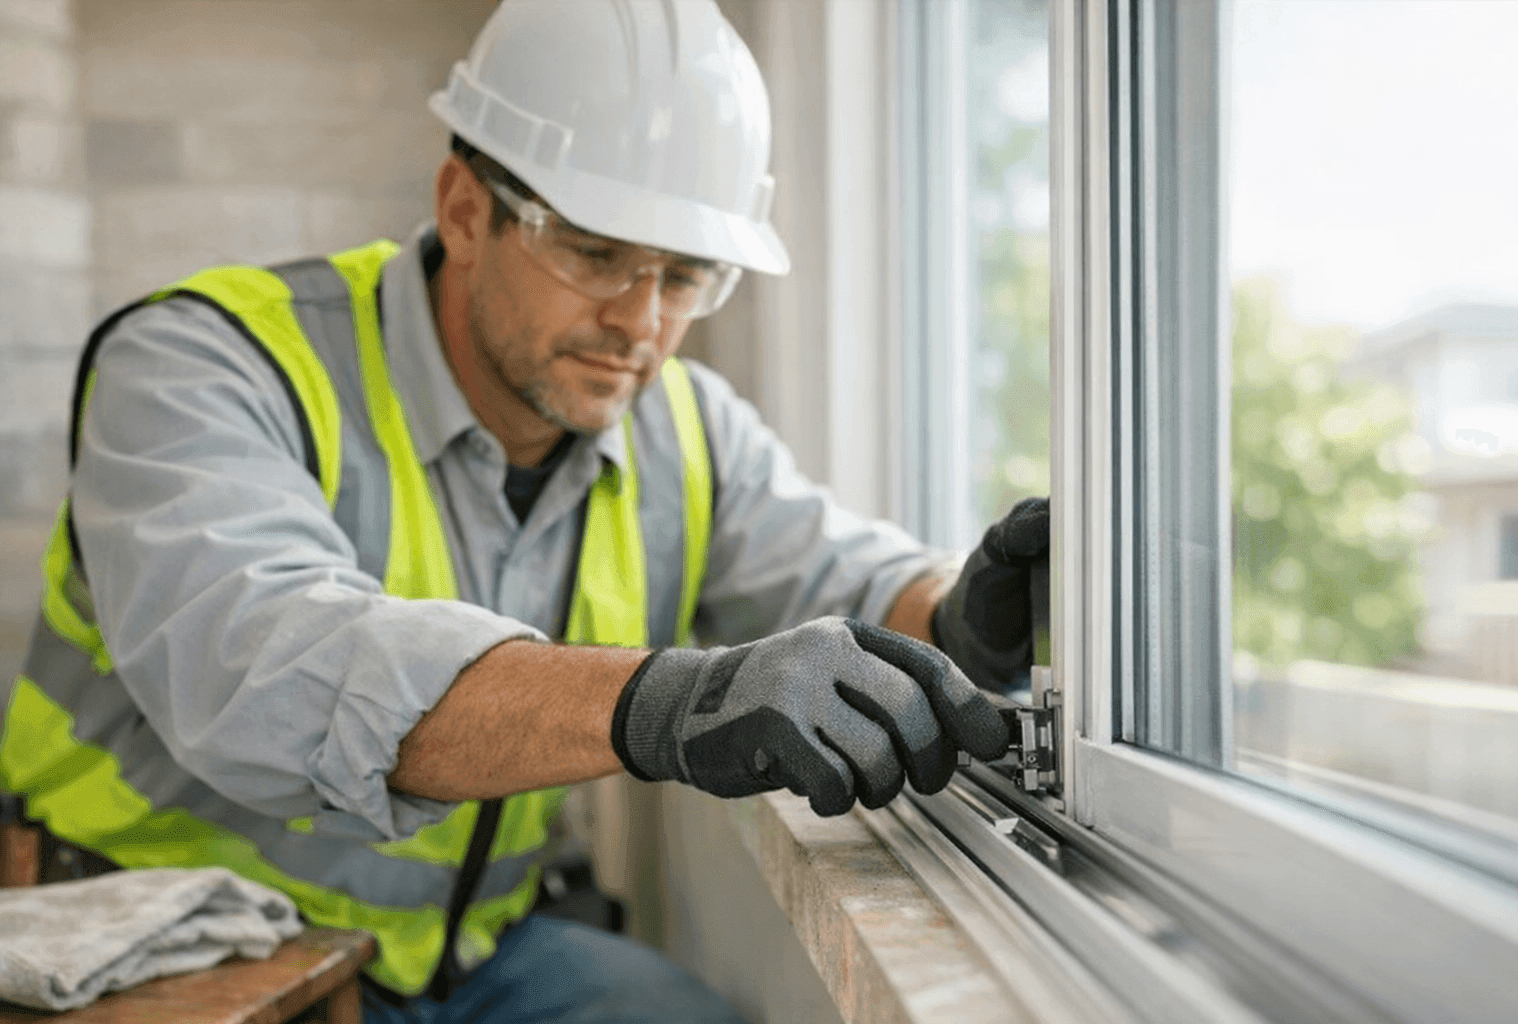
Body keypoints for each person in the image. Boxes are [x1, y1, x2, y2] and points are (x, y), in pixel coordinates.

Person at [0, 2, 1048, 1021]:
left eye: (685, 277)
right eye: (596, 254)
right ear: (464, 207)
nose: (639, 322)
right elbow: (274, 667)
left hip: (463, 957)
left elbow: (847, 589)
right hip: (171, 952)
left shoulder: (682, 426)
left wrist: (964, 622)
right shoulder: (200, 366)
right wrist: (672, 704)